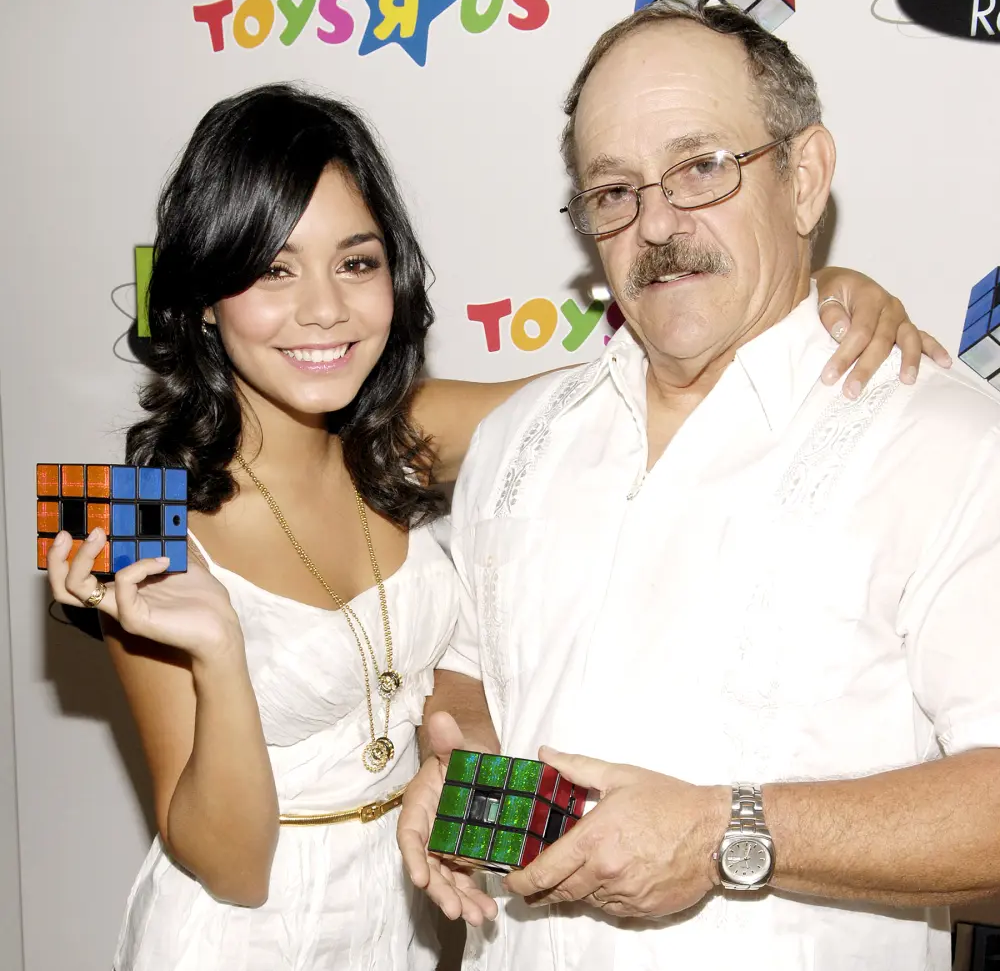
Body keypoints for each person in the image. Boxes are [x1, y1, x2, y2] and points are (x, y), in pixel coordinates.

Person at [46, 83, 940, 971]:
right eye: (274, 270)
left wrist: (817, 296)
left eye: (355, 263)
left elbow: (628, 392)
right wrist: (219, 652)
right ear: (205, 293)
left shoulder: (400, 434)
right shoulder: (128, 512)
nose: (323, 308)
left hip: (406, 922)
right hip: (235, 939)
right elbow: (230, 868)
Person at [399, 1, 1000, 971]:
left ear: (804, 178)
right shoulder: (518, 441)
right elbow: (472, 679)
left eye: (702, 167)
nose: (657, 224)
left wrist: (730, 833)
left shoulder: (945, 443)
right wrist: (458, 770)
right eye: (614, 190)